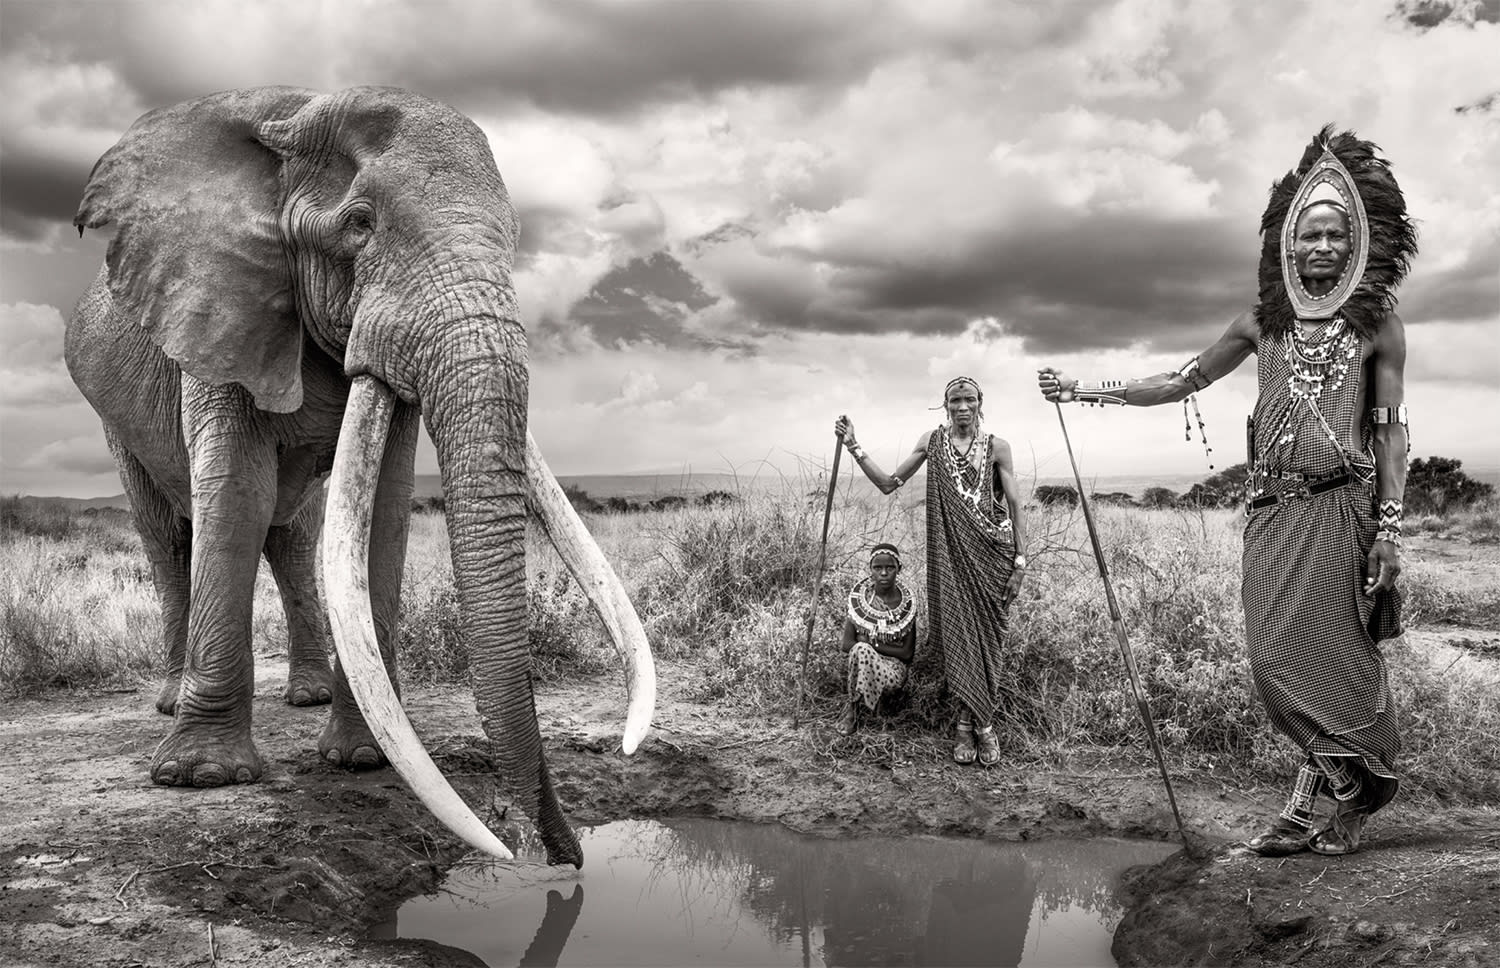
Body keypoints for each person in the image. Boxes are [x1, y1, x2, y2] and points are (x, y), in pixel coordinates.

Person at [1037, 126, 1416, 857]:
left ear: (1360, 243)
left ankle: (1334, 802)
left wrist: (1391, 531)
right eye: (1310, 235)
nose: (1322, 248)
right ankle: (1342, 788)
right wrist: (1085, 389)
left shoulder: (1377, 326)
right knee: (1274, 659)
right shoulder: (1258, 323)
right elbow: (1180, 381)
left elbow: (1392, 431)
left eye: (1337, 235)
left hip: (1342, 509)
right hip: (1273, 513)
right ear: (1285, 245)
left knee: (1335, 656)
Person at [835, 376, 1029, 766]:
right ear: (945, 405)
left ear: (979, 403)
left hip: (993, 560)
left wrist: (1020, 563)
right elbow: (890, 484)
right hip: (953, 563)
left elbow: (1014, 505)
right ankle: (970, 726)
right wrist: (853, 445)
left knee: (989, 645)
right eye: (955, 400)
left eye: (969, 399)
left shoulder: (999, 448)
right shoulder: (932, 443)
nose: (962, 406)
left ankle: (981, 723)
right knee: (960, 640)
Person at [838, 543, 918, 735]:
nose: (883, 573)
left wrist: (871, 643)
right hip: (862, 659)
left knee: (863, 649)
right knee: (860, 650)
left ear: (899, 569)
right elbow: (846, 644)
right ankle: (853, 709)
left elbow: (907, 654)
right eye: (878, 568)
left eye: (890, 568)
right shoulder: (860, 602)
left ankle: (866, 708)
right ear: (870, 570)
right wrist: (866, 646)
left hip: (893, 670)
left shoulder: (907, 605)